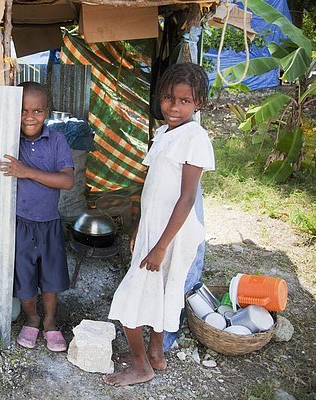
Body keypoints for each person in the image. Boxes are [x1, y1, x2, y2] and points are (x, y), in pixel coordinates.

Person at [103, 62, 215, 386]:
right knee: (162, 290)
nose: (174, 107)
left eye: (184, 101)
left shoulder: (195, 137)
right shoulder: (165, 133)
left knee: (130, 299)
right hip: (157, 227)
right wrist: (140, 226)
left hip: (172, 234)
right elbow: (153, 187)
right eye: (168, 98)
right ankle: (156, 354)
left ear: (199, 103)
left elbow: (187, 197)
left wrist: (161, 246)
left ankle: (141, 366)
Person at [0, 81, 74, 352]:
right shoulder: (8, 138)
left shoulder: (56, 141)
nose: (29, 117)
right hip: (19, 223)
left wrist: (26, 171)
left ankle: (51, 323)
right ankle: (32, 319)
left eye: (37, 111)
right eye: (22, 110)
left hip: (49, 222)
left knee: (51, 277)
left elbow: (67, 181)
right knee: (25, 275)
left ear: (48, 112)